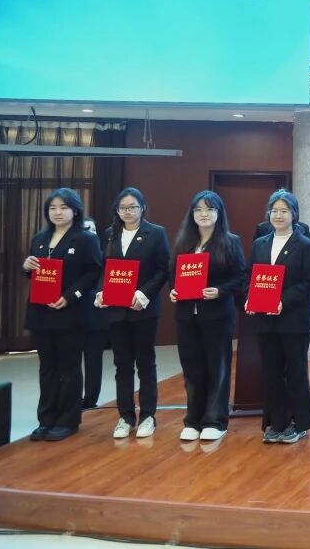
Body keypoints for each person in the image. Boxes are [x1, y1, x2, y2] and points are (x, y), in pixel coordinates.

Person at [22, 188, 103, 441]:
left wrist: (70, 295)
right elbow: (36, 272)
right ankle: (46, 419)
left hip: (70, 312)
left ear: (75, 211)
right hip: (41, 313)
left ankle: (68, 420)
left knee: (69, 368)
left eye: (63, 207)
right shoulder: (40, 238)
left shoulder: (85, 239)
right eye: (52, 208)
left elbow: (94, 272)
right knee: (47, 368)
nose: (57, 212)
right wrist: (26, 267)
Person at [168, 190, 246, 442]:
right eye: (198, 209)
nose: (204, 214)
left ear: (219, 213)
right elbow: (173, 275)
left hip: (217, 316)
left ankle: (215, 420)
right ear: (192, 214)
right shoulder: (184, 242)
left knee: (217, 367)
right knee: (192, 368)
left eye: (210, 209)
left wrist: (220, 291)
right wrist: (173, 291)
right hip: (186, 316)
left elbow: (242, 277)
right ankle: (193, 420)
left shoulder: (230, 242)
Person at [94, 188, 171, 439]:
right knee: (122, 365)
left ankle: (148, 416)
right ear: (117, 211)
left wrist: (145, 293)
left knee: (145, 364)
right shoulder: (109, 234)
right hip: (116, 310)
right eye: (123, 208)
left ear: (143, 208)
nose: (128, 212)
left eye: (133, 207)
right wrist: (101, 291)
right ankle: (125, 417)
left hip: (143, 309)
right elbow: (103, 269)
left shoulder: (156, 233)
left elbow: (164, 269)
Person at [248, 189, 310, 444]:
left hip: (294, 320)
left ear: (294, 214)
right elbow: (250, 277)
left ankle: (299, 423)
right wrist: (250, 298)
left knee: (295, 372)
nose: (278, 215)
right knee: (272, 372)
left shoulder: (306, 245)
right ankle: (277, 423)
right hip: (265, 320)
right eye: (274, 211)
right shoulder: (260, 244)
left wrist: (282, 301)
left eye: (284, 211)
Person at [79, 216, 108, 411]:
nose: (90, 233)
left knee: (93, 360)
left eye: (93, 229)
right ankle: (70, 399)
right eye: (85, 229)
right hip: (72, 315)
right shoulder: (71, 256)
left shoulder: (105, 256)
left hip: (97, 316)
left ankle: (90, 400)